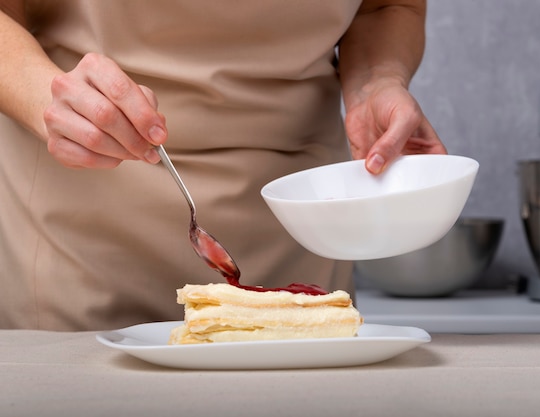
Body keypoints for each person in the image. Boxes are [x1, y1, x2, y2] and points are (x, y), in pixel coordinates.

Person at [0, 0, 446, 331]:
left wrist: (376, 82)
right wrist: (42, 93)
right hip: (81, 229)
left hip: (294, 224)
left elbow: (386, 6)